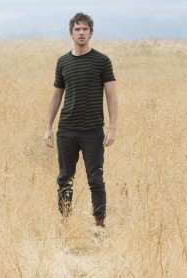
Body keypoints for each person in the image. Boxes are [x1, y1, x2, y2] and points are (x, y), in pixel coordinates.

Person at [44, 12, 118, 228]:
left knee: (95, 179)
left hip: (92, 131)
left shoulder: (102, 61)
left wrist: (112, 128)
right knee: (64, 178)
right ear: (71, 33)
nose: (81, 32)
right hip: (66, 131)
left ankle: (99, 226)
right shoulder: (63, 62)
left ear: (91, 32)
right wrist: (48, 127)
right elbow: (56, 96)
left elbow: (112, 96)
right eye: (77, 29)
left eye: (85, 29)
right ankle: (66, 223)